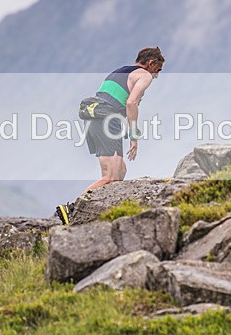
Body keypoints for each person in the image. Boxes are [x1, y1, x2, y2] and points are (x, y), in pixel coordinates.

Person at [55, 47, 164, 225]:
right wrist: (134, 136)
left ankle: (108, 214)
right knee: (111, 177)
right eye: (158, 70)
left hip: (94, 116)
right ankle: (72, 210)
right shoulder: (144, 75)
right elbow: (131, 103)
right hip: (106, 118)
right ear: (151, 63)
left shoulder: (120, 70)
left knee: (121, 170)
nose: (156, 76)